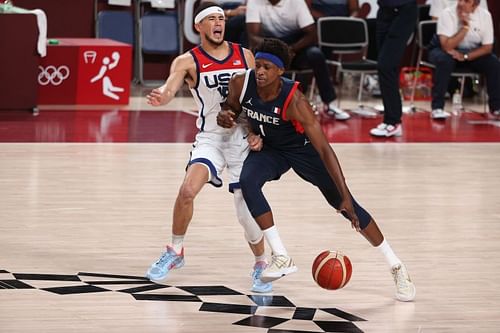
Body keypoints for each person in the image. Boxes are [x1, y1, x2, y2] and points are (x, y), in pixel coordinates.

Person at [217, 38, 416, 302]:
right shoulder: (240, 84)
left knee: (348, 207)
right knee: (248, 182)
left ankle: (396, 266)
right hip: (271, 150)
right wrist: (228, 116)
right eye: (258, 66)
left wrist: (344, 193)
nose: (261, 72)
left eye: (267, 67)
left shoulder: (296, 101)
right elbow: (232, 107)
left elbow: (325, 150)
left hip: (303, 150)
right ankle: (281, 256)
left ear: (280, 72)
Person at [145, 2, 272, 293]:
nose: (219, 23)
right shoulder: (187, 61)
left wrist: (258, 132)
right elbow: (169, 87)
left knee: (246, 212)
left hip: (241, 138)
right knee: (187, 190)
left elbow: (259, 97)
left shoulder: (245, 55)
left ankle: (261, 263)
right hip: (211, 137)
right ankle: (176, 251)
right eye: (212, 19)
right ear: (198, 26)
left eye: (222, 19)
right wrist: (162, 97)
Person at [245, 0, 351, 121]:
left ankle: (330, 103)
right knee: (253, 55)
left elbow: (311, 33)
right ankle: (256, 104)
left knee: (315, 55)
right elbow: (253, 36)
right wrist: (277, 50)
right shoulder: (254, 1)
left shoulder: (296, 2)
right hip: (269, 45)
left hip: (295, 45)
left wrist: (290, 50)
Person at [428, 0, 500, 119]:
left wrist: (466, 57)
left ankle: (496, 108)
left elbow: (487, 47)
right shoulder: (447, 13)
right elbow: (446, 46)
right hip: (444, 50)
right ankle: (437, 108)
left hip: (471, 52)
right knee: (444, 61)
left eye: (466, 1)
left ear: (475, 5)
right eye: (460, 0)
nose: (461, 3)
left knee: (493, 63)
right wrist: (464, 28)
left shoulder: (485, 16)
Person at [369, 0, 417, 137]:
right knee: (387, 68)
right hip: (384, 10)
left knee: (385, 65)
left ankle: (393, 121)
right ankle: (390, 119)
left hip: (403, 11)